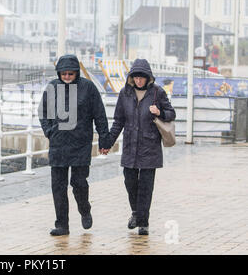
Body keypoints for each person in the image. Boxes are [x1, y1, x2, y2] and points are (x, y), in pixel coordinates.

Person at [38, 54, 111, 236]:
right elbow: (43, 112)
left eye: (71, 73)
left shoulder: (88, 88)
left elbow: (99, 115)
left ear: (77, 72)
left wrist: (104, 139)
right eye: (64, 74)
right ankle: (62, 225)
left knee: (78, 183)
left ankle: (85, 210)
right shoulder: (52, 88)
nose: (68, 77)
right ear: (59, 73)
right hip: (58, 144)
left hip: (81, 143)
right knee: (58, 186)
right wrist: (49, 131)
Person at [108, 59, 175, 235]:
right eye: (136, 78)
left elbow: (171, 113)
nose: (138, 81)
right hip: (130, 145)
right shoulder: (125, 93)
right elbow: (118, 121)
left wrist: (159, 112)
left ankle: (143, 222)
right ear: (131, 78)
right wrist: (108, 142)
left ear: (148, 78)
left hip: (150, 146)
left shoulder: (157, 93)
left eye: (142, 78)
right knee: (130, 182)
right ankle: (137, 214)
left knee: (146, 186)